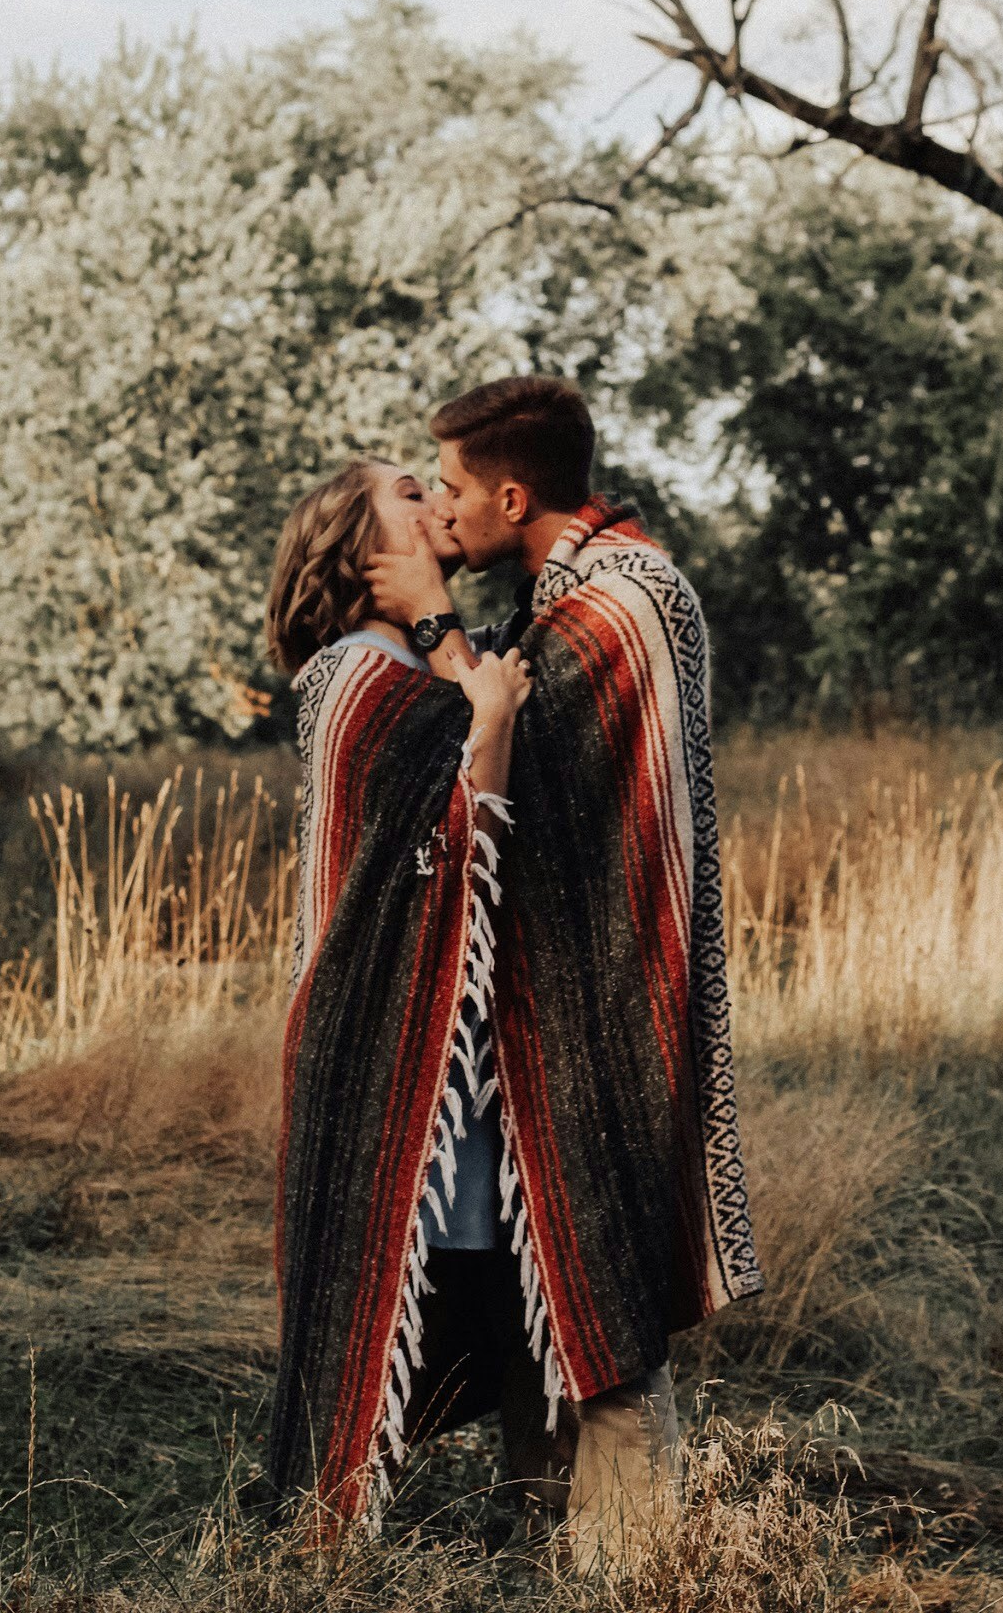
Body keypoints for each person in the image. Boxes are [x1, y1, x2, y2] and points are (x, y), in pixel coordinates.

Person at [365, 376, 762, 1568]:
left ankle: (637, 1564)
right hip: (570, 987)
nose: (436, 508)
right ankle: (550, 1535)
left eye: (445, 487)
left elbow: (501, 754)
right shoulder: (579, 589)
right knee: (548, 1256)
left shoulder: (618, 605)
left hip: (608, 993)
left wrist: (433, 622)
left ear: (510, 493)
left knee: (601, 1263)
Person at [262, 457, 545, 1529]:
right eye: (406, 494)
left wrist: (445, 640)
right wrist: (490, 716)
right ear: (356, 547)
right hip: (378, 1029)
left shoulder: (414, 661)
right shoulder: (352, 676)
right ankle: (331, 1525)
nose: (436, 500)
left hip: (445, 1036)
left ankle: (517, 1499)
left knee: (463, 1268)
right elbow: (452, 833)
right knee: (390, 1262)